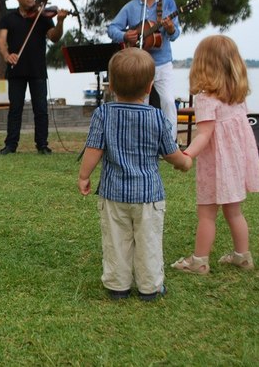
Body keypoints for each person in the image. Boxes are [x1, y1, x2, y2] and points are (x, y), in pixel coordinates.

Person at [78, 47, 191, 301]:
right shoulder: (157, 117)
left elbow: (94, 149)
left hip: (113, 194)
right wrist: (184, 162)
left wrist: (84, 176)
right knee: (148, 240)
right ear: (150, 87)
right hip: (149, 196)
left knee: (116, 240)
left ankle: (118, 285)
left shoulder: (103, 114)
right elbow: (171, 153)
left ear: (111, 86)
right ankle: (150, 287)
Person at [171, 35, 259, 274]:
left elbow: (204, 134)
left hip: (215, 166)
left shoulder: (205, 99)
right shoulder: (237, 97)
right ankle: (243, 257)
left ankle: (199, 261)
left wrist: (187, 155)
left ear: (202, 65)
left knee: (207, 215)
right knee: (234, 212)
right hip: (236, 164)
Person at [107, 0, 181, 141]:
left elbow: (175, 34)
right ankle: (140, 141)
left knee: (168, 101)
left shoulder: (168, 3)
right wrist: (125, 35)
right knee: (141, 102)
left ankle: (170, 143)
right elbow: (112, 28)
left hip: (162, 62)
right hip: (139, 63)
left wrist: (170, 29)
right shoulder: (131, 6)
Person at [0, 0, 67, 155]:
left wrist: (60, 21)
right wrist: (7, 56)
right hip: (16, 70)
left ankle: (42, 145)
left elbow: (54, 37)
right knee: (15, 109)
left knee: (41, 109)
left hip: (37, 70)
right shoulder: (8, 18)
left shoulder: (42, 17)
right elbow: (1, 41)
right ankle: (11, 145)